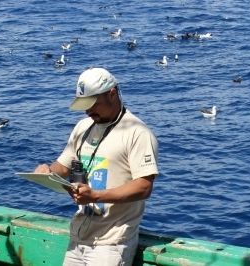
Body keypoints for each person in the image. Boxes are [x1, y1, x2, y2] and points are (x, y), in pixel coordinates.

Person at [35, 67, 158, 266]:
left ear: (112, 93)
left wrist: (96, 196)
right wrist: (48, 172)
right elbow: (63, 165)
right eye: (84, 105)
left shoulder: (138, 132)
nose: (88, 111)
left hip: (111, 243)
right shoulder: (82, 127)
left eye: (93, 104)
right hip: (78, 237)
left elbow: (144, 186)